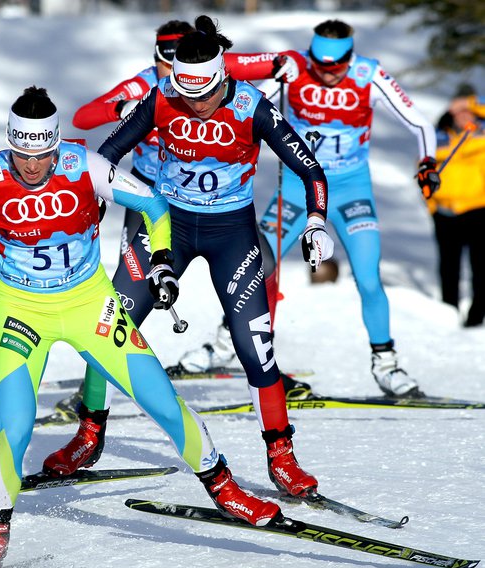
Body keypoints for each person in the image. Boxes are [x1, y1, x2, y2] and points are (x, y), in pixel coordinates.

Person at [0, 86, 283, 568]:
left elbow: (155, 205)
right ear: (10, 144)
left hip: (91, 306)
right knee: (15, 425)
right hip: (22, 313)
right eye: (22, 155)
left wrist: (160, 261)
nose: (32, 167)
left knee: (160, 400)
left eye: (43, 154)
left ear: (57, 144)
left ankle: (224, 488)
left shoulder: (85, 165)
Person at [43, 16, 333, 501]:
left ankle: (281, 455)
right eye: (185, 94)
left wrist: (317, 220)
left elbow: (310, 169)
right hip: (165, 226)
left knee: (253, 342)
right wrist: (89, 201)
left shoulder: (250, 104)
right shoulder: (162, 98)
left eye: (205, 95)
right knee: (110, 322)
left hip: (230, 233)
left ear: (222, 78)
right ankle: (89, 435)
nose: (195, 106)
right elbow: (107, 154)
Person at [180, 19, 440, 398]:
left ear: (350, 57)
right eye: (320, 64)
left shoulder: (369, 73)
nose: (327, 73)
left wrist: (427, 162)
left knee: (368, 276)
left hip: (351, 189)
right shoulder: (294, 66)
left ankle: (386, 364)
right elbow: (244, 99)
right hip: (299, 188)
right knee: (257, 265)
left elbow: (419, 122)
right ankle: (226, 345)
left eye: (336, 66)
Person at [73, 20, 193, 255]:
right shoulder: (143, 84)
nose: (173, 74)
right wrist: (121, 107)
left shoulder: (204, 82)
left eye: (179, 65)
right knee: (131, 271)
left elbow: (276, 61)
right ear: (156, 60)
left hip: (193, 190)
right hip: (146, 184)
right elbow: (81, 118)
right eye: (166, 65)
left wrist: (284, 65)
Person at [427, 84, 485, 327]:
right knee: (448, 268)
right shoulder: (439, 137)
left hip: (478, 211)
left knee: (480, 267)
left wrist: (471, 102)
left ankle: (476, 316)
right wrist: (432, 207)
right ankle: (448, 313)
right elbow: (425, 173)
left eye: (467, 110)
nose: (463, 115)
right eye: (458, 110)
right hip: (446, 213)